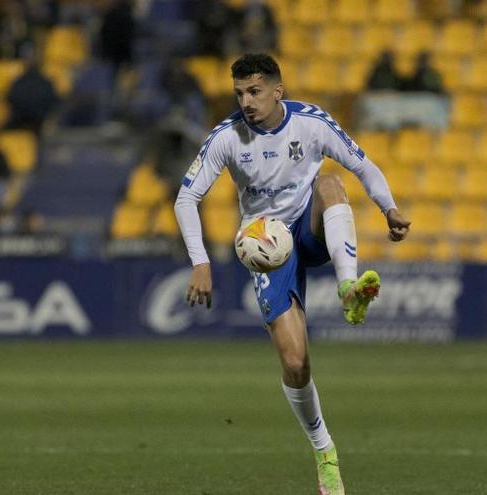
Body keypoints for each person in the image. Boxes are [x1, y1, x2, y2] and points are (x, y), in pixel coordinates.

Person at [173, 54, 410, 495]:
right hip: (267, 248)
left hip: (309, 225)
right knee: (296, 363)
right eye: (240, 93)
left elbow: (362, 164)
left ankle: (348, 288)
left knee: (331, 183)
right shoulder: (227, 137)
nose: (246, 101)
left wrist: (389, 208)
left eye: (255, 91)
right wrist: (199, 261)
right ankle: (325, 453)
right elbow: (186, 199)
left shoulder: (311, 123)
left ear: (277, 91)